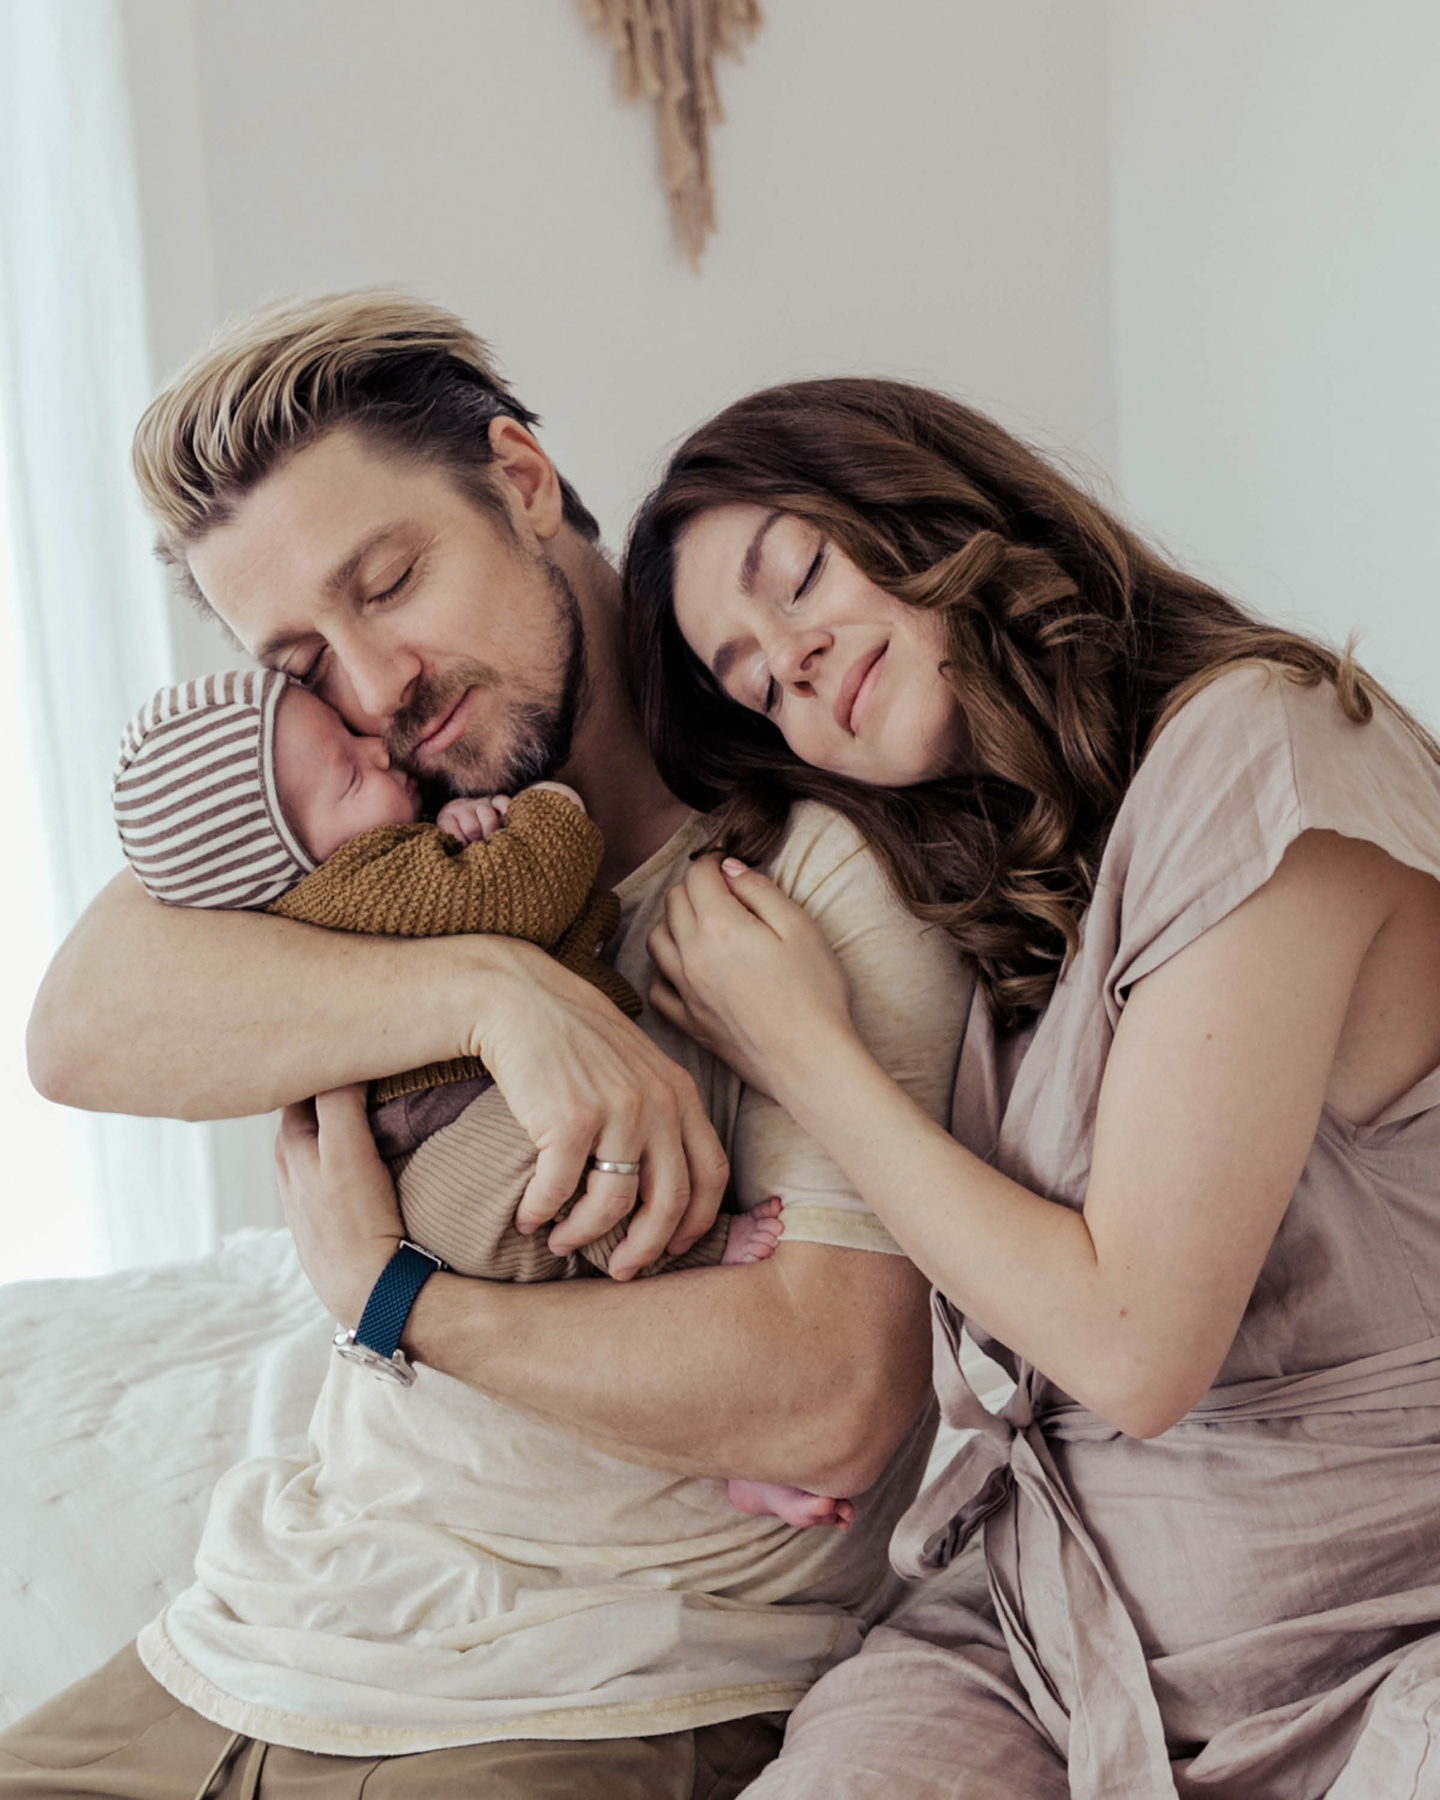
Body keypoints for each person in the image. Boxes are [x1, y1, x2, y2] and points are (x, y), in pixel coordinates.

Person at [2, 298, 970, 1796]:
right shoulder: (369, 835)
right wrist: (495, 999)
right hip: (240, 1646)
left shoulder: (802, 871)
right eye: (304, 663)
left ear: (520, 481)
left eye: (389, 584)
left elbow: (832, 1401)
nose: (375, 688)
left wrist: (391, 1295)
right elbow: (75, 1030)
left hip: (577, 1701)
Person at [621, 375, 1440, 1798]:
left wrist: (808, 1053)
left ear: (928, 501)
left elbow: (1132, 1345)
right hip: (1033, 1631)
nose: (795, 663)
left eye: (799, 573)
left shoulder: (1270, 746)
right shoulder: (1007, 887)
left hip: (1366, 1642)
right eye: (755, 681)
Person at [112, 666, 822, 1526]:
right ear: (291, 858)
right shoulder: (348, 887)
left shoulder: (356, 868)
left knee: (585, 1342)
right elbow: (514, 897)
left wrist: (454, 824)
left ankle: (735, 1462)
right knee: (580, 1174)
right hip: (443, 1158)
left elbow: (447, 896)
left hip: (433, 1150)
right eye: (347, 772)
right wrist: (548, 809)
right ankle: (696, 1256)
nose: (381, 746)